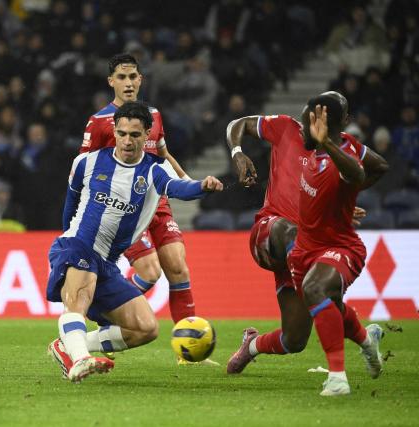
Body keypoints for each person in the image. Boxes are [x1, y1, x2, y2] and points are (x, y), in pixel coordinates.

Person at [48, 101, 222, 382]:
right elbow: (70, 207)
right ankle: (79, 360)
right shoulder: (87, 162)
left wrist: (202, 186)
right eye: (122, 133)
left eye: (135, 135)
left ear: (147, 134)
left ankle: (68, 345)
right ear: (114, 132)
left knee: (145, 328)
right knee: (78, 301)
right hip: (78, 245)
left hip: (107, 262)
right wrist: (68, 245)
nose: (127, 141)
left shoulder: (155, 169)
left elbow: (179, 188)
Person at [224, 92, 388, 390]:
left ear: (335, 124)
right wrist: (237, 152)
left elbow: (377, 167)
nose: (304, 125)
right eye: (304, 117)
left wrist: (343, 200)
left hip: (310, 248)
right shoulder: (285, 127)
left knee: (294, 339)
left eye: (310, 120)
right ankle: (345, 366)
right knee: (292, 238)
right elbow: (238, 123)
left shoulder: (347, 149)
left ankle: (251, 346)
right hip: (270, 231)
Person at [81, 53, 197, 337]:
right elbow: (84, 168)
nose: (128, 82)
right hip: (124, 210)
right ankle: (109, 313)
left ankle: (188, 346)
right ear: (111, 82)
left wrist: (189, 182)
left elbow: (163, 153)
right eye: (121, 77)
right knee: (149, 271)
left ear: (140, 79)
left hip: (157, 203)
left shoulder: (153, 115)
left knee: (178, 268)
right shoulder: (99, 122)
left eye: (133, 76)